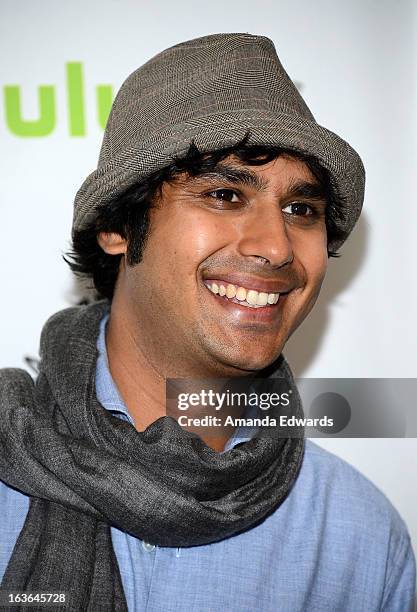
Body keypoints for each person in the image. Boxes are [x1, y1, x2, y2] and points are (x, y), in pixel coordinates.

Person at [0, 33, 415, 612]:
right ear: (118, 225)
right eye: (224, 194)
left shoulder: (359, 539)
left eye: (302, 210)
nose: (276, 247)